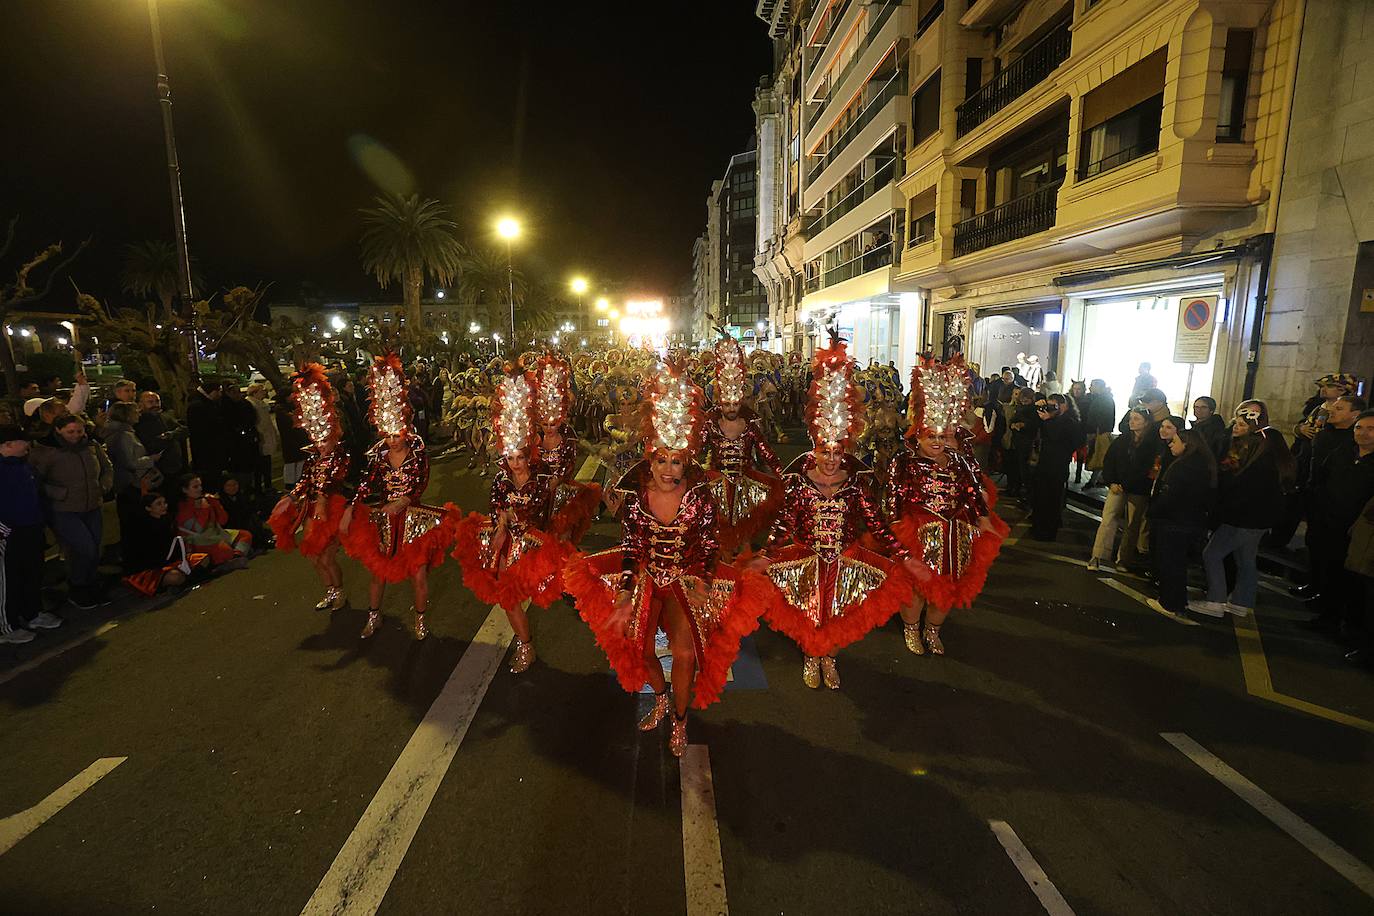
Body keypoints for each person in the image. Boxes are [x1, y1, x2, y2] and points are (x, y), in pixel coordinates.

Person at [562, 364, 771, 757]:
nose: (668, 471)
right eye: (661, 461)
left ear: (686, 463)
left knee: (685, 651)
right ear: (650, 460)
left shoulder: (698, 495)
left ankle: (679, 718)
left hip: (685, 581)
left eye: (676, 462)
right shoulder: (639, 496)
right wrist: (624, 594)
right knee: (638, 651)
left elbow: (709, 544)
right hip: (646, 580)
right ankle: (660, 696)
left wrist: (705, 582)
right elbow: (631, 547)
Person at [751, 337, 920, 689]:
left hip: (845, 558)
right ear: (815, 449)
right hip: (807, 559)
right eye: (824, 451)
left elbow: (876, 523)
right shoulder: (800, 482)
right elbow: (784, 522)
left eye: (837, 452)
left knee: (839, 613)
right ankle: (813, 657)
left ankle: (830, 658)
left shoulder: (856, 483)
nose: (830, 459)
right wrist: (766, 555)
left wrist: (903, 555)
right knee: (811, 612)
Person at [453, 368, 575, 672]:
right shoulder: (501, 479)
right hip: (508, 540)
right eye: (511, 458)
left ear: (528, 455)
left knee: (531, 590)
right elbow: (496, 503)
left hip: (533, 541)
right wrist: (501, 522)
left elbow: (533, 511)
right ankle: (526, 645)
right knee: (506, 595)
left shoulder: (540, 480)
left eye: (520, 457)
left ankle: (526, 643)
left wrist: (510, 518)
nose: (516, 463)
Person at [886, 356, 1010, 656]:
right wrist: (893, 531)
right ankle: (912, 630)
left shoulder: (958, 460)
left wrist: (981, 518)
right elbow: (893, 499)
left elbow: (970, 490)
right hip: (918, 531)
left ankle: (933, 630)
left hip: (955, 534)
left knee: (948, 587)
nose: (938, 442)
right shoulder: (903, 461)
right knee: (916, 586)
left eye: (943, 436)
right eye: (932, 437)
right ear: (919, 436)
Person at [340, 354, 458, 641]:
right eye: (389, 435)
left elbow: (420, 484)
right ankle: (373, 616)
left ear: (405, 429)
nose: (394, 440)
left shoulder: (417, 453)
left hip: (412, 520)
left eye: (398, 434)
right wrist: (349, 509)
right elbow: (366, 485)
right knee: (377, 573)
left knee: (418, 574)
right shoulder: (379, 457)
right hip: (384, 521)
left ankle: (420, 620)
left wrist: (404, 501)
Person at [1193, 401, 1295, 618]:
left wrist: (1220, 512)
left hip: (1243, 517)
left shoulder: (1253, 452)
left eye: (1240, 423)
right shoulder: (1268, 447)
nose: (1235, 427)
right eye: (1235, 422)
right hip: (1260, 518)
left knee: (1212, 554)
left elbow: (1239, 489)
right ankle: (1242, 602)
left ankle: (1216, 600)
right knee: (1245, 559)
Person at [268, 365, 353, 612]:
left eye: (322, 431)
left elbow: (335, 479)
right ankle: (330, 591)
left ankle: (339, 593)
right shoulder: (313, 456)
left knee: (327, 556)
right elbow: (306, 480)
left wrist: (323, 500)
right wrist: (291, 497)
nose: (318, 436)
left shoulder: (340, 454)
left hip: (333, 508)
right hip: (311, 508)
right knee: (313, 555)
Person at [702, 336, 783, 553]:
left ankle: (743, 563)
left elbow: (767, 453)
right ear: (720, 402)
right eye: (726, 404)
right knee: (717, 531)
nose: (731, 408)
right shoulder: (710, 424)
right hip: (715, 482)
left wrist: (783, 475)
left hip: (745, 483)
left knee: (745, 530)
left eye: (735, 403)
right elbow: (696, 450)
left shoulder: (749, 425)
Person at [30, 413, 113, 609]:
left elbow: (107, 467)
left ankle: (89, 585)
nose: (75, 435)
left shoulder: (91, 446)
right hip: (64, 509)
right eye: (70, 432)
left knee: (94, 548)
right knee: (85, 547)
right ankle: (78, 586)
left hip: (93, 505)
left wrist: (103, 485)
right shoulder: (47, 451)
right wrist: (59, 493)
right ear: (58, 430)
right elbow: (35, 479)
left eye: (79, 431)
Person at [1304, 410, 1374, 636]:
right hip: (1329, 522)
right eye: (1359, 428)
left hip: (1359, 532)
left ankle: (1349, 627)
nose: (1363, 433)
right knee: (1329, 569)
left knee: (1353, 581)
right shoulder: (1342, 452)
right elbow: (1322, 478)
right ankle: (1328, 615)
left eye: (1371, 429)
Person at [1, 424, 64, 642]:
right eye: (23, 441)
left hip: (31, 528)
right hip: (9, 534)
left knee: (33, 573)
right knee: (8, 580)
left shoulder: (23, 466)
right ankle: (6, 626)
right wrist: (4, 530)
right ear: (7, 445)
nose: (27, 445)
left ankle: (32, 613)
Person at [1146, 428, 1216, 618]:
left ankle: (1169, 602)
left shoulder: (1183, 467)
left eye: (1174, 441)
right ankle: (1177, 601)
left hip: (1174, 521)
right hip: (1191, 521)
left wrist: (1154, 511)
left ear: (1187, 444)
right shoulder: (1203, 465)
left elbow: (1170, 496)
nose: (1171, 444)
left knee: (1170, 563)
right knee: (1178, 564)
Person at [531, 354, 601, 543]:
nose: (548, 428)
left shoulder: (567, 434)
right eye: (544, 424)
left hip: (561, 491)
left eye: (552, 424)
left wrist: (556, 480)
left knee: (561, 533)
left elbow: (569, 462)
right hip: (538, 491)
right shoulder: (535, 437)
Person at [1089, 407, 1155, 571]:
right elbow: (1110, 460)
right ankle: (1098, 556)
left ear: (1146, 422)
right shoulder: (1122, 440)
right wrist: (1111, 481)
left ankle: (1123, 559)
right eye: (1131, 418)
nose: (1132, 422)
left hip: (1138, 489)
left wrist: (1129, 483)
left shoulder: (1153, 443)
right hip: (1117, 486)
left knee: (1132, 525)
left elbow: (1147, 468)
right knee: (1108, 519)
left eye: (1136, 419)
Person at [120, 492, 210, 596]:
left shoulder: (167, 520)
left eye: (164, 503)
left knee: (204, 559)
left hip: (169, 561)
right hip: (149, 567)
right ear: (148, 508)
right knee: (175, 577)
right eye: (159, 504)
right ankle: (186, 581)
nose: (164, 506)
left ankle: (185, 581)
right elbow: (146, 555)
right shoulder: (141, 528)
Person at [102, 401, 161, 549]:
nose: (139, 414)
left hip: (126, 482)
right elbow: (129, 462)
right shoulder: (124, 435)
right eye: (135, 412)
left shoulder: (120, 432)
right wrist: (151, 459)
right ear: (127, 415)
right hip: (130, 483)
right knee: (133, 519)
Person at [1027, 394, 1081, 542]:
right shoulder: (1052, 419)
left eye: (1053, 406)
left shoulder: (1070, 421)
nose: (1050, 409)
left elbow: (1058, 437)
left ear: (1063, 406)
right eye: (1048, 405)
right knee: (1040, 497)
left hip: (1057, 466)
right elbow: (1033, 426)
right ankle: (1038, 525)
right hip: (1044, 463)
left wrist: (1049, 420)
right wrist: (1036, 408)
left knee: (1052, 499)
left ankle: (1047, 531)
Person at [175, 473, 252, 566]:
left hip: (214, 533)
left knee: (245, 535)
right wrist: (204, 508)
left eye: (200, 486)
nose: (200, 489)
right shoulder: (183, 508)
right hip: (197, 540)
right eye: (195, 487)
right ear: (184, 490)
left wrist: (215, 503)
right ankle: (232, 557)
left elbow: (223, 521)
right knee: (225, 551)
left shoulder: (205, 500)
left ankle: (236, 556)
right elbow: (199, 529)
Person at [135, 391, 186, 496]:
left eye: (157, 401)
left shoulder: (164, 417)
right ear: (141, 404)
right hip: (157, 469)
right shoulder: (138, 423)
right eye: (150, 402)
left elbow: (184, 429)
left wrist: (170, 435)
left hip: (176, 467)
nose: (155, 405)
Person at [186, 379, 226, 492]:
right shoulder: (198, 406)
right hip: (207, 454)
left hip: (211, 452)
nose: (220, 394)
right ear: (213, 391)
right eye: (219, 391)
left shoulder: (205, 404)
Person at [221, 384, 261, 490]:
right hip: (235, 444)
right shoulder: (224, 406)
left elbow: (253, 418)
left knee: (249, 469)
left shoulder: (245, 404)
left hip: (248, 441)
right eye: (234, 392)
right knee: (239, 471)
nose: (237, 394)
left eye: (238, 392)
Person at [1082, 378, 1117, 488]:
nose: (1090, 387)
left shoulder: (1104, 399)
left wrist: (1097, 431)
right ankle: (1097, 479)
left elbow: (1101, 417)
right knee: (1099, 456)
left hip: (1100, 432)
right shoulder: (1102, 398)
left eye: (1092, 385)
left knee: (1099, 456)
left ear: (1099, 387)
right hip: (1099, 431)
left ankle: (1098, 480)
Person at [246, 383, 279, 496]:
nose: (264, 392)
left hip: (266, 438)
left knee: (266, 464)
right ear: (255, 393)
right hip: (261, 439)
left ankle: (268, 486)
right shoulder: (252, 404)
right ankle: (260, 489)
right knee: (260, 466)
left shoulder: (261, 403)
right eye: (262, 390)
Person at [1190, 397, 1230, 461]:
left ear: (1211, 410)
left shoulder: (1215, 428)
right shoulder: (1195, 426)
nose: (1199, 410)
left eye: (1203, 407)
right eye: (1196, 407)